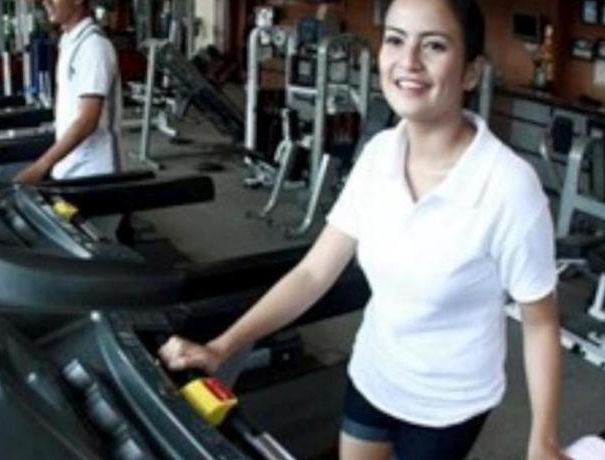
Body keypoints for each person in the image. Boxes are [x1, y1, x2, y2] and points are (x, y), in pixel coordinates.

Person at [158, 1, 565, 459]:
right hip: (373, 374)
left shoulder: (508, 186)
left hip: (447, 406)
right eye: (395, 40)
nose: (408, 61)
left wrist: (543, 439)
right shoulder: (379, 154)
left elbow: (540, 321)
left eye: (434, 45)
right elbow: (313, 274)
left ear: (471, 72)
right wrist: (222, 347)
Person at [15, 0, 122, 184]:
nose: (46, 2)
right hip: (68, 168)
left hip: (93, 174)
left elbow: (87, 120)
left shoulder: (93, 46)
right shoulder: (68, 40)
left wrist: (40, 167)